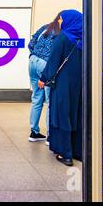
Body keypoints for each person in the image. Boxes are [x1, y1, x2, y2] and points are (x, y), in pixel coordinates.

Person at [39, 9, 83, 167]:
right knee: (76, 115)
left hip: (63, 84)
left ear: (69, 20)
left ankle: (66, 154)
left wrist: (43, 78)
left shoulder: (63, 37)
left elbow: (53, 60)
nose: (60, 22)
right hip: (80, 85)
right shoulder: (85, 38)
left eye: (62, 20)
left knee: (61, 114)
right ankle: (78, 151)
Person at [27, 12, 61, 143]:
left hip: (32, 61)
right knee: (49, 101)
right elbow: (57, 52)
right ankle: (50, 135)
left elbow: (30, 44)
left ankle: (34, 132)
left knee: (36, 98)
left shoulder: (45, 28)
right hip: (45, 64)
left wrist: (37, 54)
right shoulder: (60, 33)